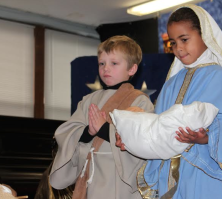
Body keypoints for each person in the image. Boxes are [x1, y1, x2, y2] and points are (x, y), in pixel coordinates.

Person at [116, 4, 222, 199]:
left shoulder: (219, 77)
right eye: (173, 43)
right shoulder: (171, 83)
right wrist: (132, 137)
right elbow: (158, 126)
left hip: (203, 173)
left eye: (184, 39)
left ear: (204, 35)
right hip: (169, 177)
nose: (178, 48)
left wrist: (205, 138)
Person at [49, 35, 154, 199]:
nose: (106, 68)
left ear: (132, 69)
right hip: (89, 177)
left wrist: (103, 128)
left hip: (117, 181)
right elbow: (68, 132)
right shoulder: (89, 100)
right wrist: (88, 132)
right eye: (102, 63)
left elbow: (140, 140)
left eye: (114, 63)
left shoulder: (140, 101)